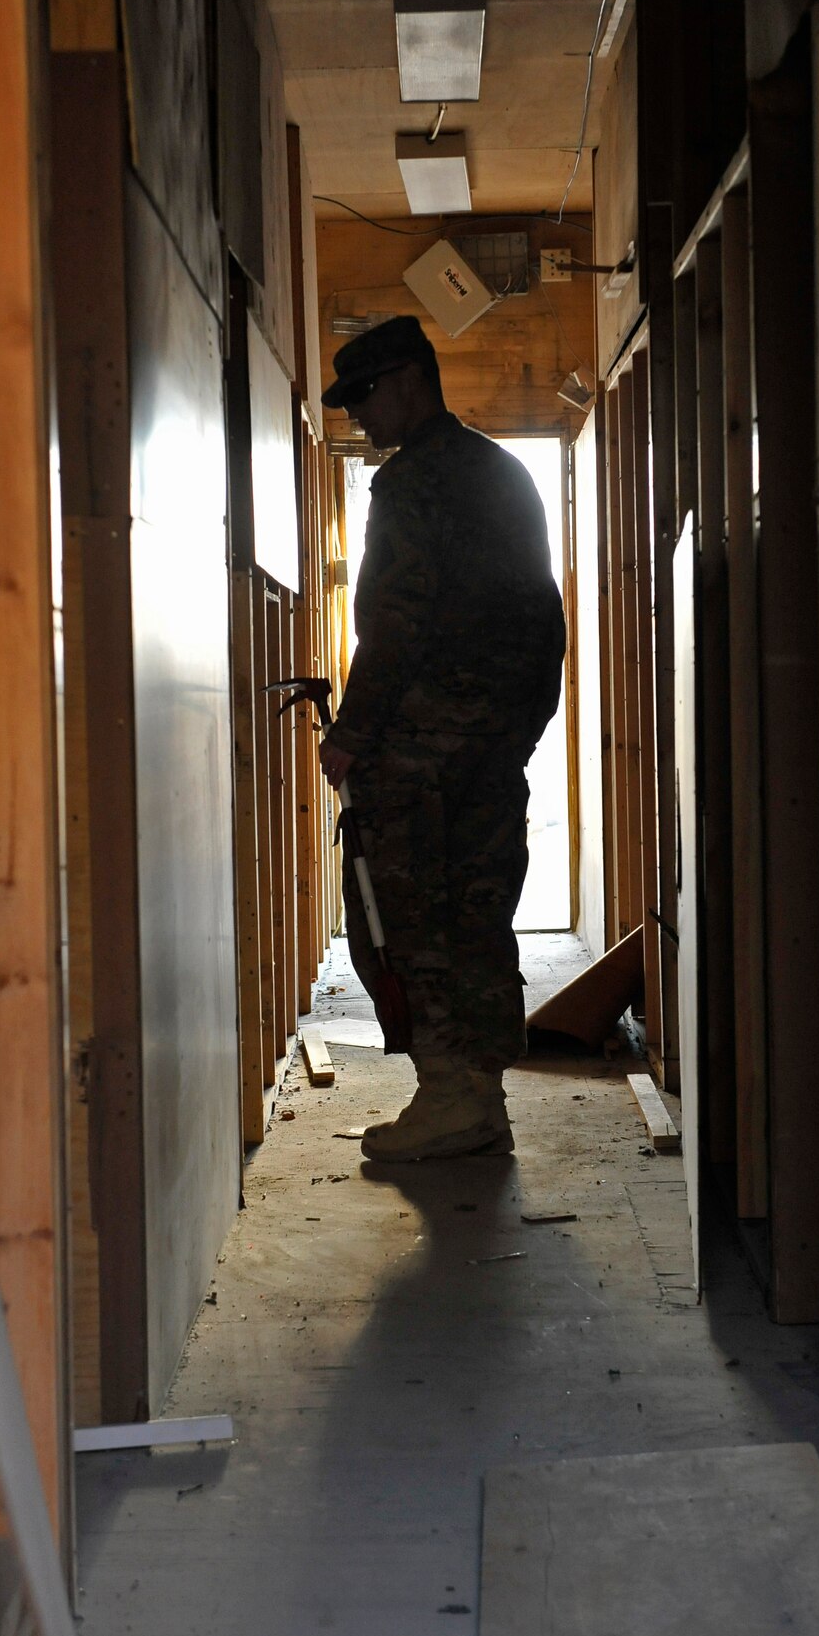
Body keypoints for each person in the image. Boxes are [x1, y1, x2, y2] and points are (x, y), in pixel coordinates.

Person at [319, 313, 566, 1161]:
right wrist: (513, 733)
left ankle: (447, 1093)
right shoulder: (501, 473)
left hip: (419, 749)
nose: (358, 417)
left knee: (403, 914)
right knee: (478, 909)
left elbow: (396, 622)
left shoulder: (412, 483)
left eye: (364, 397)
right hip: (490, 746)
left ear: (407, 382)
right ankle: (479, 1099)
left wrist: (354, 733)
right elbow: (545, 621)